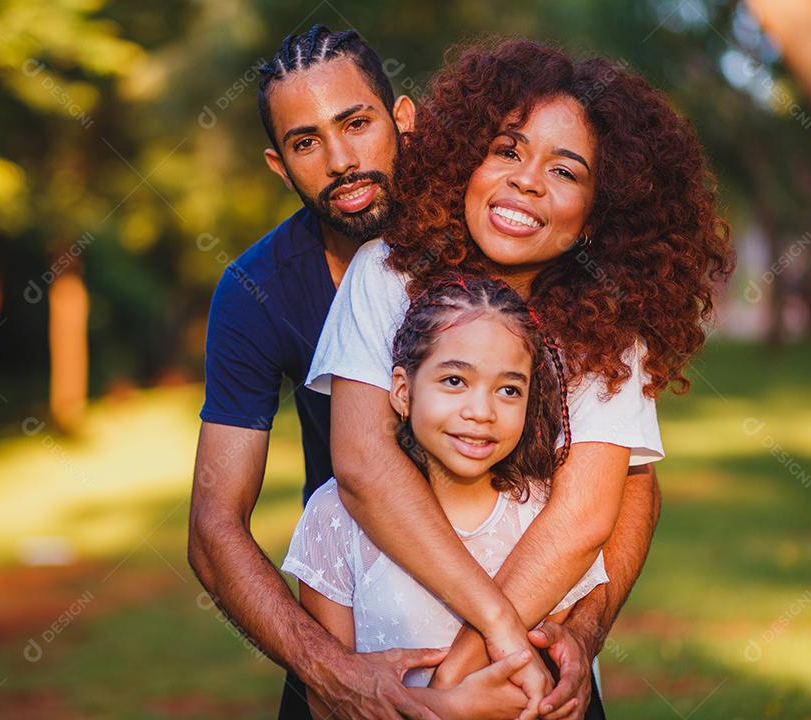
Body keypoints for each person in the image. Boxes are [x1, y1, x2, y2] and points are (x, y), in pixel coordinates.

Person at [190, 27, 670, 720]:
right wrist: (339, 675)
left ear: (405, 121)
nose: (340, 160)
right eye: (306, 142)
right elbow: (227, 521)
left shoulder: (584, 298)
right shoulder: (323, 280)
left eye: (356, 124)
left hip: (529, 640)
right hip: (364, 620)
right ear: (279, 163)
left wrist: (578, 632)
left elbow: (619, 493)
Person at [308, 37, 734, 718]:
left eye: (565, 172)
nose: (527, 181)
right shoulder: (386, 272)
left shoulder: (608, 329)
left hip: (530, 688)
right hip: (399, 665)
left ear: (598, 214)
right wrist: (485, 646)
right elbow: (362, 463)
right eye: (506, 151)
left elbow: (585, 517)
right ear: (465, 162)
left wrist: (457, 682)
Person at [285, 277, 609, 720]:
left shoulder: (543, 519)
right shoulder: (335, 517)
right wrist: (451, 708)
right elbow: (330, 701)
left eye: (509, 389)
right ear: (402, 390)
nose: (481, 412)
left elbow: (541, 691)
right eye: (455, 380)